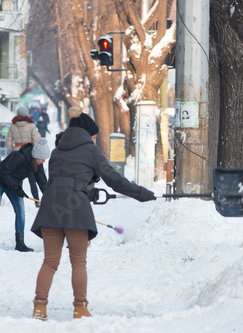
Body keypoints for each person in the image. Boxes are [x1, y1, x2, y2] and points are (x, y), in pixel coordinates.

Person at [30, 107, 156, 320]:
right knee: (78, 262)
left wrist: (88, 190)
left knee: (49, 262)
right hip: (76, 212)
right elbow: (115, 180)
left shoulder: (57, 152)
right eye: (94, 136)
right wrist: (142, 193)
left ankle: (39, 308)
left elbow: (61, 182)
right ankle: (80, 308)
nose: (95, 140)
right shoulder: (90, 150)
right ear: (88, 134)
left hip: (51, 210)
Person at [0, 138, 50, 252]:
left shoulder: (37, 165)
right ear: (35, 155)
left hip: (13, 184)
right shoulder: (18, 156)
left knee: (21, 211)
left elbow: (42, 182)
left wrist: (48, 197)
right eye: (42, 159)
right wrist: (18, 190)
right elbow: (5, 174)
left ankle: (20, 243)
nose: (43, 161)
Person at [6, 106, 42, 207]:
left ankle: (18, 200)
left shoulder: (13, 126)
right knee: (32, 179)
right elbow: (37, 140)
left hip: (17, 153)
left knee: (18, 178)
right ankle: (36, 200)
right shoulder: (31, 126)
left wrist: (13, 150)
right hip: (29, 154)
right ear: (26, 114)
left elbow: (8, 142)